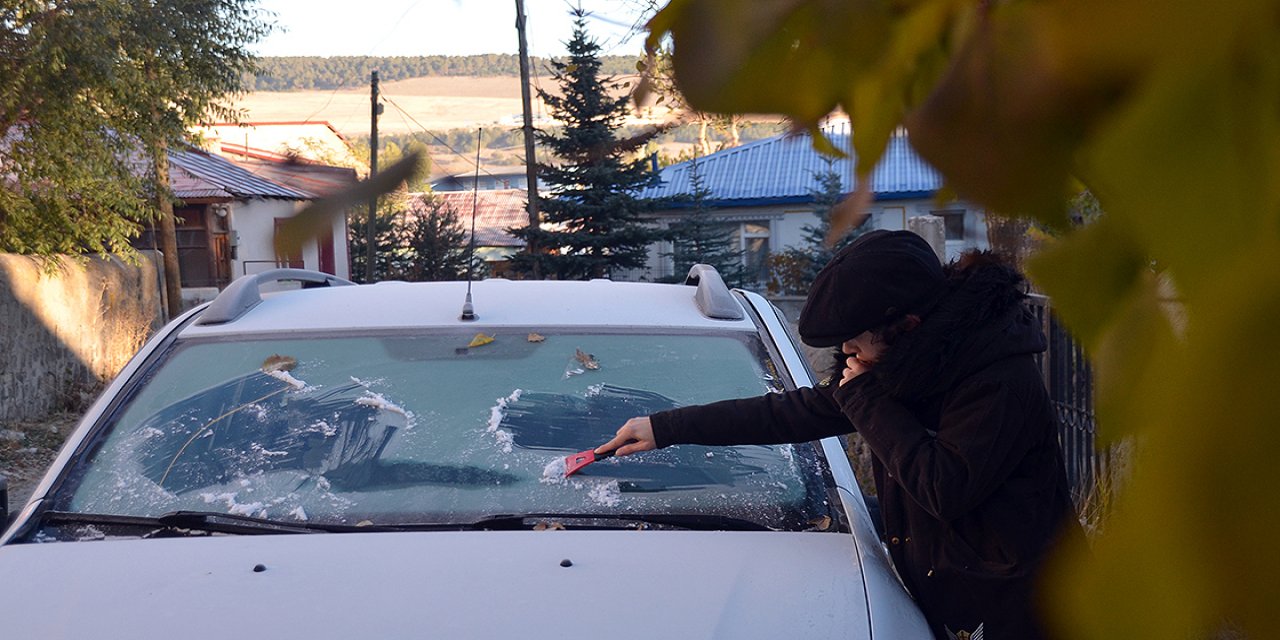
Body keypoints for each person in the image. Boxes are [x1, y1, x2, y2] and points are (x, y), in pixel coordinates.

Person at [596, 229, 1083, 639]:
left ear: (906, 325)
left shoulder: (997, 382)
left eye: (855, 336)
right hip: (957, 594)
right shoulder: (913, 363)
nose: (847, 349)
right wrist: (666, 427)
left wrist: (867, 399)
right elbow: (794, 413)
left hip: (1021, 607)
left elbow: (944, 486)